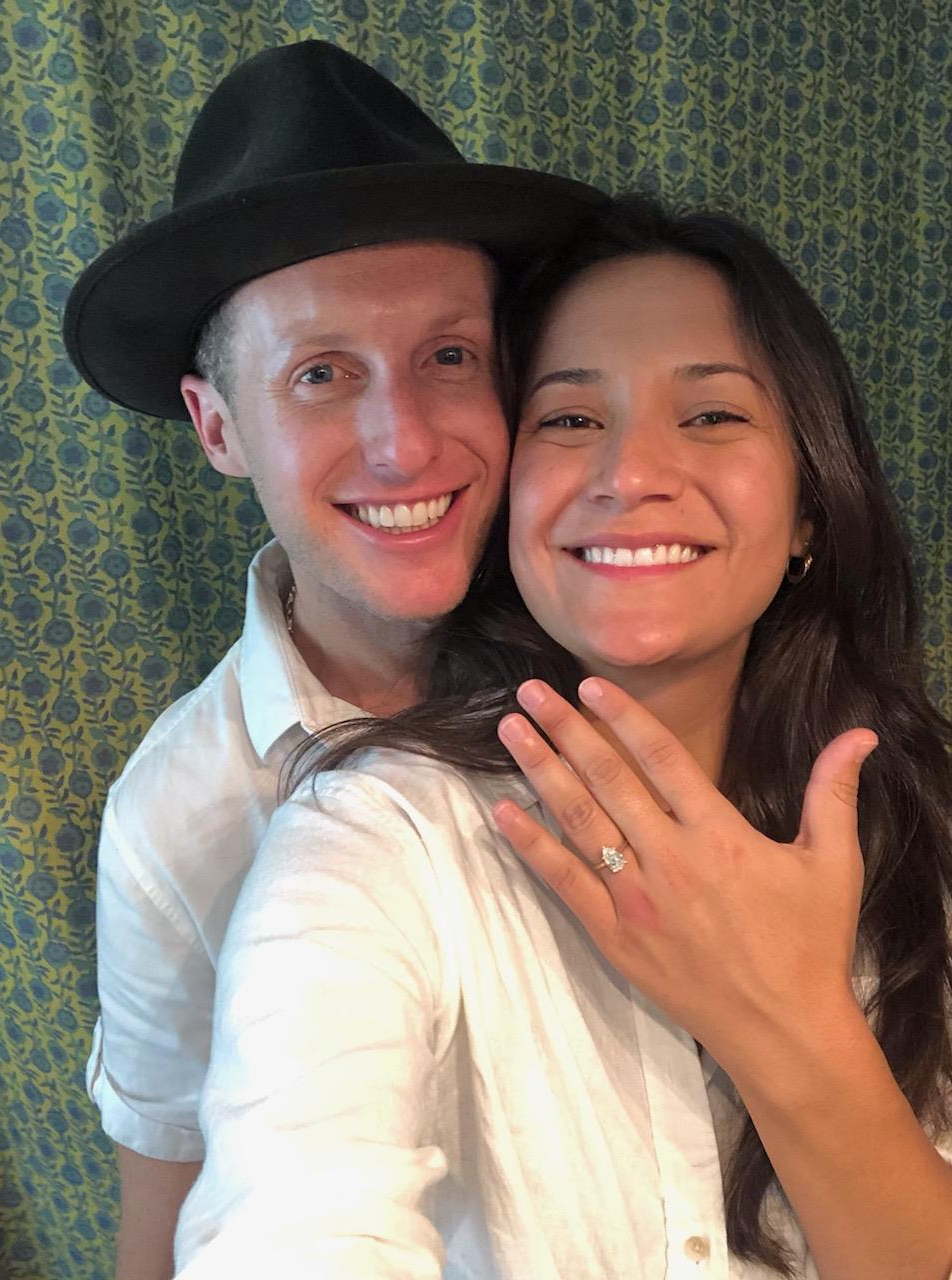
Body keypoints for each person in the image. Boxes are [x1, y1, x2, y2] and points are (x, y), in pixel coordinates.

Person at [172, 194, 952, 1279]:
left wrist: (792, 1026)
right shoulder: (373, 841)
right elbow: (294, 1213)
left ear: (809, 506)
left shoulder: (922, 820)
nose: (629, 474)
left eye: (711, 415)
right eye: (572, 421)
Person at [63, 38, 605, 1279]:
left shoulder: (639, 649)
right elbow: (169, 1217)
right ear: (218, 426)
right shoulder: (175, 820)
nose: (403, 442)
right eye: (320, 374)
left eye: (448, 357)